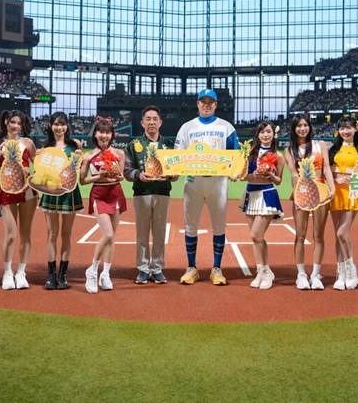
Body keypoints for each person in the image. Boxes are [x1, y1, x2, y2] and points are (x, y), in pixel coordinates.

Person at [175, 89, 240, 286]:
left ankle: (216, 269)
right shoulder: (187, 127)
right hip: (193, 182)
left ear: (215, 105)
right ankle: (191, 267)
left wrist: (235, 170)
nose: (206, 105)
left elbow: (235, 154)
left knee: (219, 226)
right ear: (197, 104)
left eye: (210, 102)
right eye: (203, 102)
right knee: (190, 225)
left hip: (218, 182)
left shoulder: (226, 127)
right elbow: (178, 154)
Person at [123, 106, 175, 284]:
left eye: (155, 119)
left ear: (160, 122)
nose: (152, 122)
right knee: (142, 232)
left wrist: (170, 175)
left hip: (162, 192)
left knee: (159, 232)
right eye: (148, 119)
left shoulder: (168, 144)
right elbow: (127, 171)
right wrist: (139, 175)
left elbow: (176, 174)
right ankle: (143, 268)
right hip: (142, 192)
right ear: (142, 122)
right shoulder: (134, 144)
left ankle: (158, 267)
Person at [0, 110, 37, 290]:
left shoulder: (28, 143)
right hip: (6, 190)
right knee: (10, 233)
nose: (16, 126)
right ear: (6, 122)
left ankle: (21, 272)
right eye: (13, 122)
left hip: (27, 192)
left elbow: (38, 166)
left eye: (20, 123)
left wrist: (33, 174)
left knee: (26, 234)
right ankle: (7, 272)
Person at [284, 114, 334, 290]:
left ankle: (316, 274)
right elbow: (293, 174)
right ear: (294, 129)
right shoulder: (290, 149)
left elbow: (326, 168)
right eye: (299, 126)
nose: (302, 128)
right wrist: (298, 195)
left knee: (318, 235)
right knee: (300, 234)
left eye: (305, 125)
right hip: (302, 194)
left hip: (320, 193)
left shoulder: (320, 145)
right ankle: (301, 274)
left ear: (310, 127)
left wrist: (332, 188)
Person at [80, 117, 127, 294]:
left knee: (112, 237)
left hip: (115, 193)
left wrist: (115, 175)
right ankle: (92, 270)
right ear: (95, 134)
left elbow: (121, 176)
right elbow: (83, 181)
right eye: (101, 132)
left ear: (112, 135)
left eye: (107, 132)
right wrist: (99, 177)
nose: (104, 135)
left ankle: (105, 274)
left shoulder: (119, 154)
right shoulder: (88, 156)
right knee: (107, 234)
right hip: (99, 194)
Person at [38, 112, 83, 290]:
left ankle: (63, 274)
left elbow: (77, 169)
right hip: (50, 192)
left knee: (66, 234)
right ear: (51, 126)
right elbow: (40, 172)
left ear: (67, 126)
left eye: (62, 124)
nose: (59, 127)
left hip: (69, 192)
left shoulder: (75, 145)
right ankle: (51, 275)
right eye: (56, 124)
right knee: (52, 234)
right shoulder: (45, 146)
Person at [238, 120, 285, 290]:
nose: (265, 135)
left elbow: (279, 181)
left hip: (267, 195)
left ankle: (264, 271)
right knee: (258, 239)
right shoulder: (250, 152)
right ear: (258, 135)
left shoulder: (278, 156)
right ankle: (263, 271)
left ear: (274, 134)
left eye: (268, 132)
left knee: (255, 235)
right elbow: (244, 176)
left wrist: (269, 175)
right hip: (251, 195)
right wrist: (242, 175)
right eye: (262, 132)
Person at [327, 115, 358, 290]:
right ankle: (340, 271)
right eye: (342, 128)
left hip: (353, 193)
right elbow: (327, 170)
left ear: (355, 129)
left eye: (349, 128)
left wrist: (352, 178)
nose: (345, 131)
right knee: (337, 235)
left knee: (342, 233)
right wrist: (336, 177)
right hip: (336, 193)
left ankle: (351, 269)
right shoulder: (332, 148)